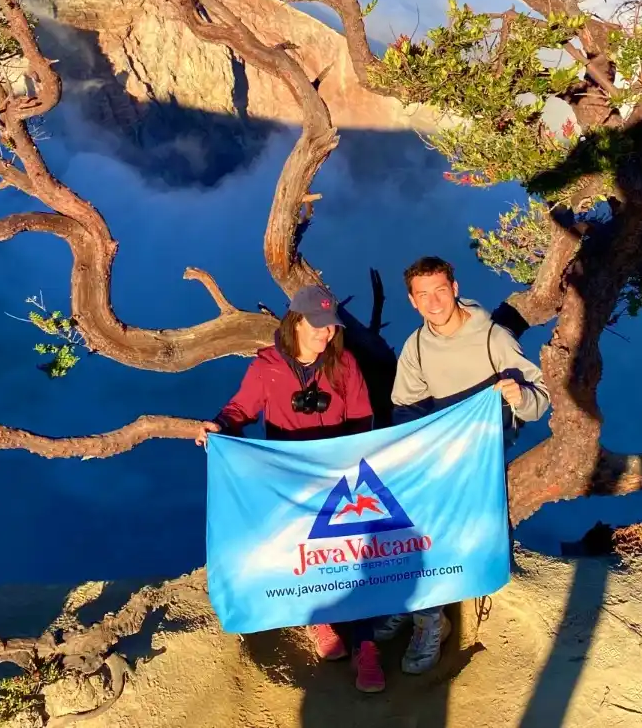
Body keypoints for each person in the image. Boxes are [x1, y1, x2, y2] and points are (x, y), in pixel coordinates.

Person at [194, 284, 388, 694]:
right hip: (290, 480)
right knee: (304, 551)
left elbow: (361, 418)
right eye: (318, 327)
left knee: (356, 555)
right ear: (296, 321)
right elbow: (240, 409)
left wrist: (346, 463)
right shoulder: (267, 366)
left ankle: (365, 644)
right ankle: (319, 621)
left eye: (331, 327)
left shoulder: (344, 363)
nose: (326, 335)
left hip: (340, 477)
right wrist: (220, 426)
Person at [379, 254, 551, 674]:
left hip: (485, 444)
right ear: (412, 301)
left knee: (430, 521)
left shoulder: (493, 338)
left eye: (441, 290)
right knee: (394, 514)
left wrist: (519, 397)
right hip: (441, 446)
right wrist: (420, 439)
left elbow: (540, 398)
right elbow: (404, 404)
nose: (434, 301)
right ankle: (413, 599)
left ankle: (429, 622)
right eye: (424, 295)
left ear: (455, 289)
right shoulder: (417, 345)